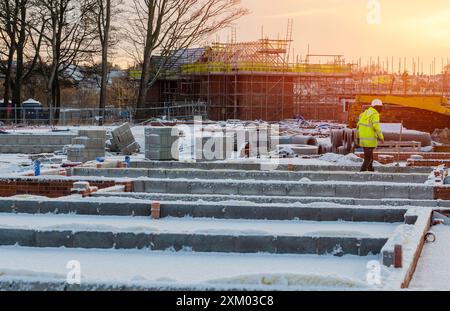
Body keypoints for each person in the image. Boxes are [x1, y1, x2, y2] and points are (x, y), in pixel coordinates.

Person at [357, 99, 385, 172]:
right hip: (370, 139)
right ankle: (362, 172)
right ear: (377, 107)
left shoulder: (364, 113)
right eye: (380, 107)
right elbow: (376, 127)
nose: (381, 109)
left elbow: (358, 125)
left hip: (363, 139)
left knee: (369, 157)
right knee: (368, 158)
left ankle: (370, 170)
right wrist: (381, 137)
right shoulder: (375, 114)